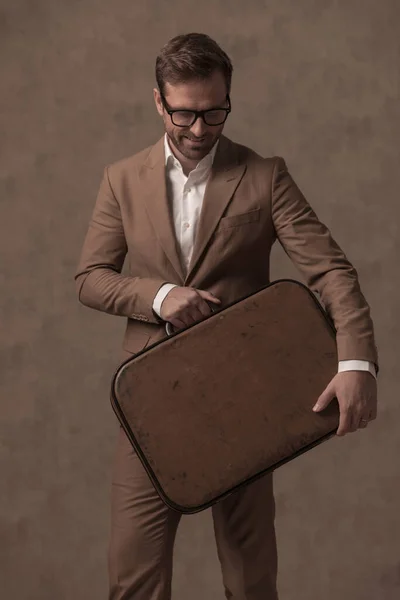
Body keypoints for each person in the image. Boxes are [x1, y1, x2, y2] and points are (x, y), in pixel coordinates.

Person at [75, 32, 379, 600]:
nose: (198, 129)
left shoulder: (266, 177)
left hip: (244, 398)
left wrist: (356, 361)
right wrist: (159, 296)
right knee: (133, 580)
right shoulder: (120, 179)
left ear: (228, 99)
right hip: (150, 400)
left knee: (251, 578)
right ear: (159, 102)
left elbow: (332, 271)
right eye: (184, 114)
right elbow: (89, 279)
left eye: (214, 113)